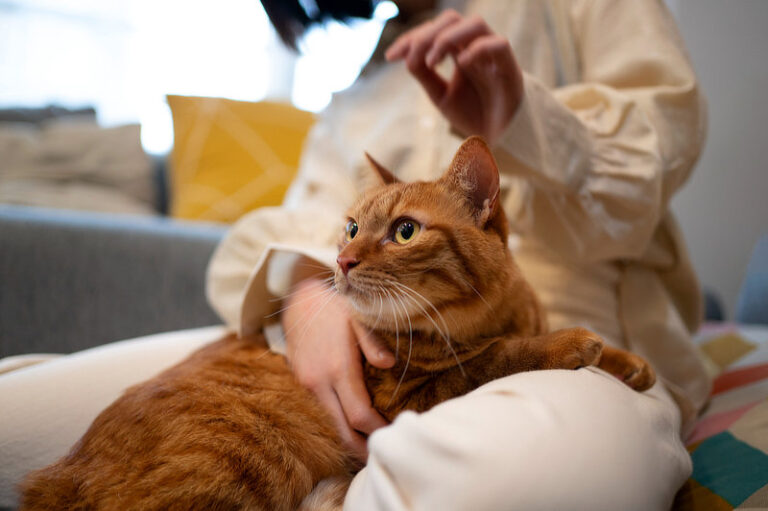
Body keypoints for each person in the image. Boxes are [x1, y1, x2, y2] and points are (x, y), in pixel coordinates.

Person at [0, 1, 710, 509]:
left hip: (553, 347)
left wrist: (528, 121)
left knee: (524, 477)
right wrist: (308, 291)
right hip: (309, 348)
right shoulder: (358, 87)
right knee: (13, 414)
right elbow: (274, 231)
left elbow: (659, 156)